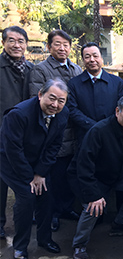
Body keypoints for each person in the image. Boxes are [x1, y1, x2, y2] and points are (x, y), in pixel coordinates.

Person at [0, 79, 69, 259]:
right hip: (10, 161)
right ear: (40, 95)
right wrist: (29, 177)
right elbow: (13, 150)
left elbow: (54, 146)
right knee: (26, 197)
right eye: (51, 98)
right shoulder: (19, 115)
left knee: (46, 195)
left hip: (37, 161)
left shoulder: (63, 114)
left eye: (61, 101)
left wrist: (40, 173)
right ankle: (20, 246)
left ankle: (44, 239)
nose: (55, 105)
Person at [70, 95, 123, 259]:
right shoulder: (99, 130)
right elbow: (84, 165)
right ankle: (79, 245)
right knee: (93, 207)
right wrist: (93, 194)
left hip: (119, 172)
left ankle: (122, 219)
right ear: (117, 111)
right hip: (93, 176)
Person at [29, 30, 83, 232]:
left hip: (72, 130)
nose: (62, 48)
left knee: (66, 174)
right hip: (51, 130)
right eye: (57, 44)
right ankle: (49, 213)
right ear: (49, 46)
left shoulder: (76, 69)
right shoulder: (40, 70)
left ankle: (66, 208)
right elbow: (37, 99)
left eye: (66, 45)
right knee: (49, 174)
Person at [0, 26, 33, 239]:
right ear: (4, 43)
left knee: (27, 177)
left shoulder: (31, 68)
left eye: (21, 41)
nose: (16, 45)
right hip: (2, 134)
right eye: (11, 40)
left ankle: (29, 217)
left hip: (26, 135)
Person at [66, 42, 123, 145]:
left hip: (112, 134)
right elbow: (72, 110)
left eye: (95, 56)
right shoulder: (74, 84)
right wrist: (93, 126)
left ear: (101, 58)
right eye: (87, 57)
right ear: (83, 61)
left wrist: (107, 126)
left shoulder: (117, 82)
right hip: (85, 136)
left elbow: (121, 108)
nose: (92, 60)